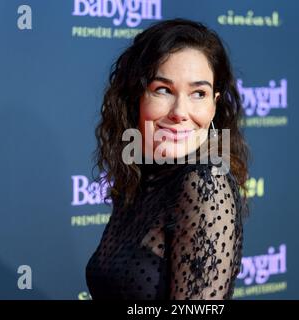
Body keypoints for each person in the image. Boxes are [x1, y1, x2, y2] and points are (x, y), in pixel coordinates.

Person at [86, 18, 250, 300]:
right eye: (163, 90)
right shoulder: (144, 175)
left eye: (199, 93)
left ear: (214, 104)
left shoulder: (204, 185)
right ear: (135, 97)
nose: (180, 112)